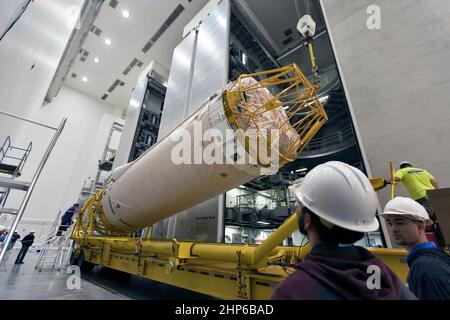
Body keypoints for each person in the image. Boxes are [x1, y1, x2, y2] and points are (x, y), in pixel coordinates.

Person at [272, 161, 415, 300]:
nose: (297, 210)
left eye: (300, 205)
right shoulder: (387, 277)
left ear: (308, 220)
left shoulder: (293, 291)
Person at [379, 197, 450, 300]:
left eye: (400, 223)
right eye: (390, 223)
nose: (393, 229)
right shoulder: (436, 257)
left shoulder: (423, 266)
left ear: (420, 226)